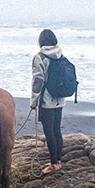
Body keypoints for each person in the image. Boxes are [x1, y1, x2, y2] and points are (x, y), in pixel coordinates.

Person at [30, 29, 66, 175]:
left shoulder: (40, 57)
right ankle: (58, 161)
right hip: (60, 99)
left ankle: (53, 164)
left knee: (49, 132)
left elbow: (38, 81)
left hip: (47, 100)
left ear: (41, 41)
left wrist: (33, 101)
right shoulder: (60, 54)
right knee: (57, 129)